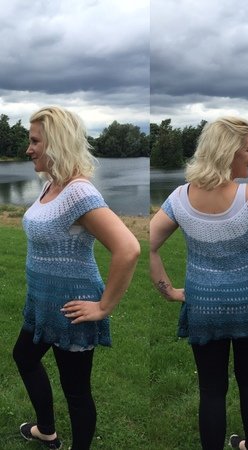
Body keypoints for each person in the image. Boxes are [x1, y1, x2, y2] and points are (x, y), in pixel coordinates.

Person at [150, 117, 248, 450]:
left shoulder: (179, 197)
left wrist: (169, 291)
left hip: (203, 306)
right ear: (228, 151)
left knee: (211, 390)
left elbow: (150, 244)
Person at [13, 106, 140, 450]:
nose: (28, 149)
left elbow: (128, 248)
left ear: (56, 142)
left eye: (35, 141)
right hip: (42, 303)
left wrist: (103, 306)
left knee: (76, 391)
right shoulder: (51, 185)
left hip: (73, 308)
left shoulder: (79, 192)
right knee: (24, 357)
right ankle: (46, 431)